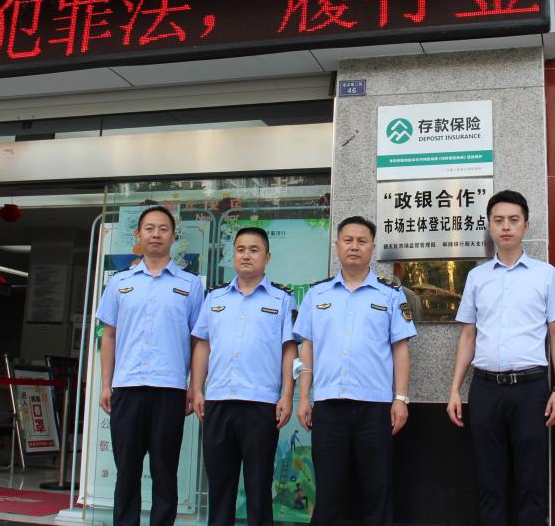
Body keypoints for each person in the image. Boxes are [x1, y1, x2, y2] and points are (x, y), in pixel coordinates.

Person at [446, 190, 555, 526]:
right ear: (489, 226)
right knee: (489, 480)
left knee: (532, 480)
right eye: (498, 220)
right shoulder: (477, 276)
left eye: (514, 220)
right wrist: (455, 389)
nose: (506, 226)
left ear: (526, 226)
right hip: (486, 389)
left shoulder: (545, 274)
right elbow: (468, 335)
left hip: (531, 389)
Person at [294, 215, 416, 526]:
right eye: (348, 240)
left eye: (362, 241)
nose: (354, 246)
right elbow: (307, 347)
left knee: (377, 490)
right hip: (328, 405)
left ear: (373, 248)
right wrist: (304, 397)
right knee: (329, 493)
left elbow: (400, 348)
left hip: (374, 408)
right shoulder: (317, 295)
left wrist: (401, 398)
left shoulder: (391, 294)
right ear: (336, 246)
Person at [96, 205, 204, 526]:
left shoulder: (190, 285)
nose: (156, 234)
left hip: (169, 390)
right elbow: (108, 336)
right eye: (149, 228)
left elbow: (199, 341)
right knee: (126, 469)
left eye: (163, 229)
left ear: (173, 236)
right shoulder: (120, 282)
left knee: (164, 469)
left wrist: (194, 387)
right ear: (138, 235)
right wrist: (106, 384)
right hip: (127, 388)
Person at [189, 226, 298, 526]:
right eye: (240, 249)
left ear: (267, 257)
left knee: (259, 486)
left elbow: (289, 349)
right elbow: (202, 344)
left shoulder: (282, 299)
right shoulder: (215, 298)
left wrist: (287, 395)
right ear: (233, 255)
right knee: (220, 487)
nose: (246, 255)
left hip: (260, 405)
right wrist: (196, 389)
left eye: (253, 250)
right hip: (219, 401)